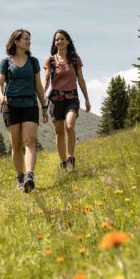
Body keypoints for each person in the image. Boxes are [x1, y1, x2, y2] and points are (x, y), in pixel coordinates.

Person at [0, 29, 48, 192]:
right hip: (11, 106)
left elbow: (38, 86)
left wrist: (44, 107)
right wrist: (0, 96)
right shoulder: (6, 62)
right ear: (16, 41)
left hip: (30, 105)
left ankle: (29, 176)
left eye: (29, 39)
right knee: (16, 144)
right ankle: (20, 177)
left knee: (29, 140)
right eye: (25, 39)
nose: (28, 42)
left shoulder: (33, 62)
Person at [43, 29, 91, 172]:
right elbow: (45, 80)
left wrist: (87, 99)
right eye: (57, 39)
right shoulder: (50, 60)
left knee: (69, 126)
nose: (59, 41)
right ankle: (63, 163)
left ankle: (71, 159)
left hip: (72, 98)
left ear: (68, 41)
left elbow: (81, 80)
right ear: (54, 43)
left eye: (62, 39)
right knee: (59, 133)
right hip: (55, 99)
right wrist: (41, 96)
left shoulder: (75, 59)